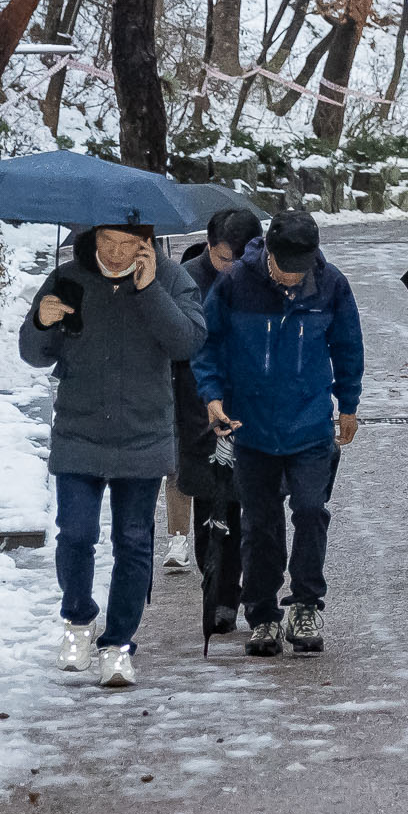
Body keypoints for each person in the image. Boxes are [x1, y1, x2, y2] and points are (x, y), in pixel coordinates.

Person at [19, 222, 207, 689]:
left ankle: (118, 644)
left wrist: (148, 292)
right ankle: (78, 620)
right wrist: (40, 322)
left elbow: (187, 343)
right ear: (92, 241)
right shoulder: (70, 278)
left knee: (134, 542)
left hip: (144, 432)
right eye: (108, 244)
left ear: (146, 243)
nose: (118, 254)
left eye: (129, 245)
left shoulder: (170, 278)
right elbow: (35, 355)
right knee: (76, 534)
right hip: (80, 428)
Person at [193, 209, 363, 658]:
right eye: (284, 270)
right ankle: (263, 614)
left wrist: (349, 404)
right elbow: (206, 344)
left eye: (299, 272)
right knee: (260, 525)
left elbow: (347, 346)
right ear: (268, 251)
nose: (291, 281)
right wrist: (212, 396)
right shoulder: (235, 283)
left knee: (311, 511)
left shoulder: (331, 284)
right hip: (250, 428)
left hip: (309, 423)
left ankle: (306, 604)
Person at [174, 207, 262, 640]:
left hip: (252, 408)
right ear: (209, 247)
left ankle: (244, 591)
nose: (231, 268)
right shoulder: (185, 279)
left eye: (239, 260)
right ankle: (218, 598)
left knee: (250, 507)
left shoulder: (264, 276)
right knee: (213, 507)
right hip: (199, 409)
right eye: (223, 258)